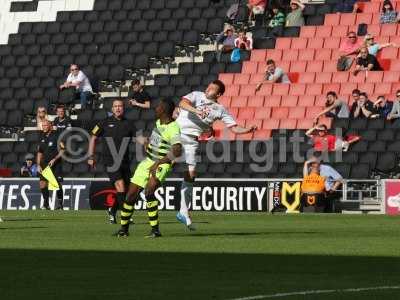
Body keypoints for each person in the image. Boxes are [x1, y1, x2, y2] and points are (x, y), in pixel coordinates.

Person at [175, 80, 257, 229]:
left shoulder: (220, 109)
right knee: (163, 162)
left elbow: (234, 128)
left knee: (191, 174)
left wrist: (248, 130)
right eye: (209, 86)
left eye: (213, 88)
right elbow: (182, 103)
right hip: (175, 133)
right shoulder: (197, 95)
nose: (208, 88)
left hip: (192, 140)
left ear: (218, 94)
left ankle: (183, 211)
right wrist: (196, 111)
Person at [115, 98, 182, 238]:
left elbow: (177, 151)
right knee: (130, 195)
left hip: (161, 164)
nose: (155, 109)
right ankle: (123, 230)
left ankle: (155, 230)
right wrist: (148, 144)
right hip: (148, 161)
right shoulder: (158, 123)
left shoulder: (173, 128)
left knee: (148, 192)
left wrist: (158, 163)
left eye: (158, 107)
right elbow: (156, 141)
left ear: (163, 110)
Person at [88, 99, 136, 224]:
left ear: (123, 108)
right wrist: (91, 157)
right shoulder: (104, 123)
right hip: (110, 161)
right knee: (120, 185)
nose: (118, 108)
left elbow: (139, 138)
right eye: (115, 106)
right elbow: (93, 138)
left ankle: (112, 209)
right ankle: (126, 215)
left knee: (124, 191)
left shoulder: (129, 124)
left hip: (124, 161)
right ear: (112, 109)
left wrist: (147, 144)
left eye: (120, 106)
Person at [37, 120, 65, 210]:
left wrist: (55, 159)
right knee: (42, 184)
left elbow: (63, 150)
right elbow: (40, 152)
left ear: (50, 126)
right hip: (44, 164)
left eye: (45, 125)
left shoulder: (57, 135)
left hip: (55, 164)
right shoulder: (42, 136)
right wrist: (38, 164)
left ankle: (60, 205)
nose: (43, 127)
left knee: (57, 184)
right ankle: (46, 204)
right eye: (43, 125)